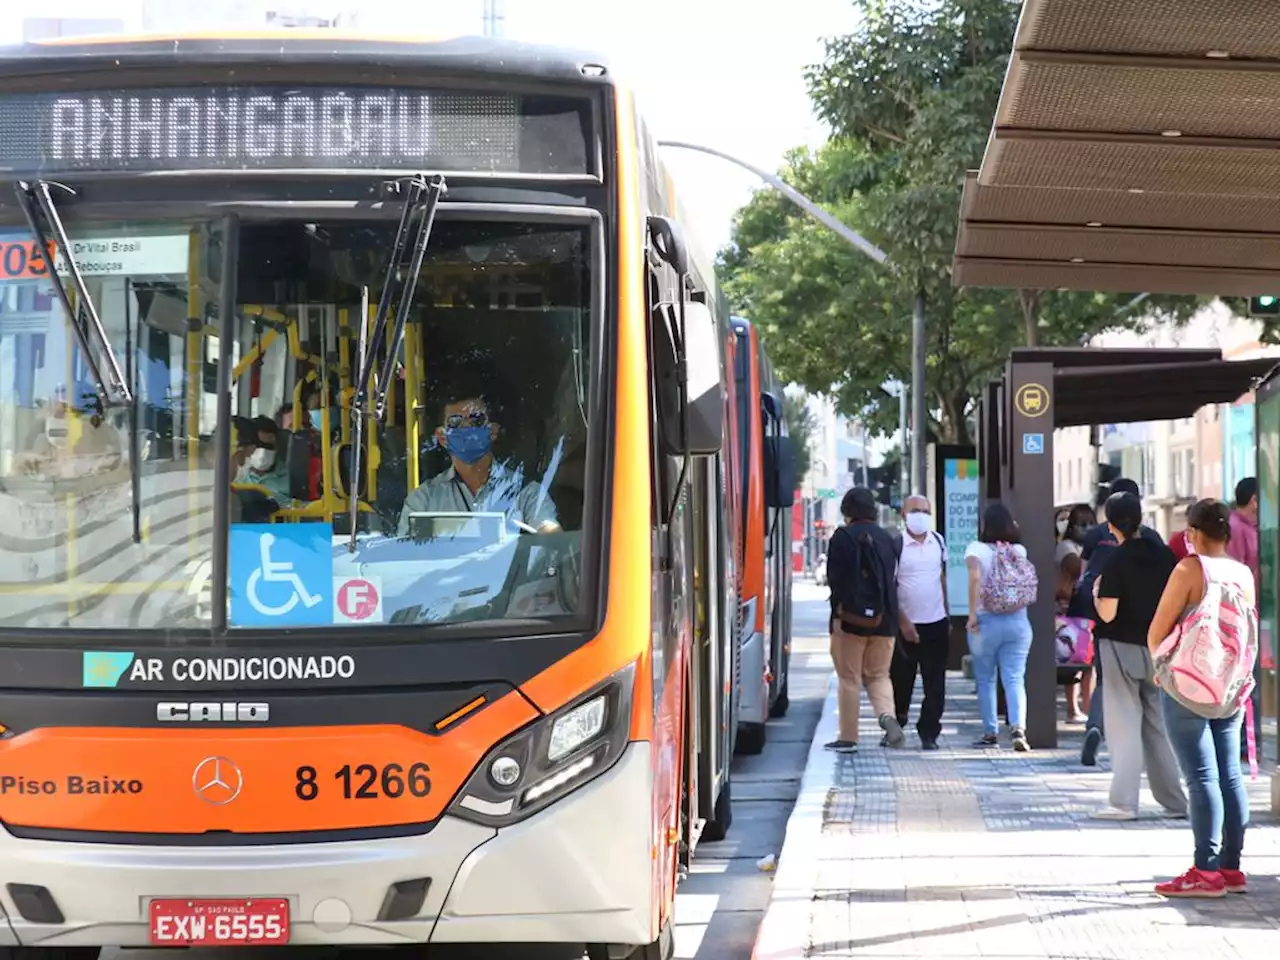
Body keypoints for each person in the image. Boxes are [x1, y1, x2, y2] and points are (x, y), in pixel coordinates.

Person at [1147, 499, 1257, 898]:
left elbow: (1157, 630)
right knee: (1229, 775)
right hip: (1230, 686)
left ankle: (1205, 871)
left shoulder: (1189, 569)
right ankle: (1231, 868)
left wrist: (1162, 670)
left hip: (1189, 686)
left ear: (1192, 532)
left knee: (1201, 778)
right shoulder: (1242, 573)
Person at [1089, 491, 1187, 820]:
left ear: (1111, 524)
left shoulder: (1115, 560)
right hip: (1160, 649)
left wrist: (1095, 593)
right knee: (1158, 726)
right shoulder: (1163, 555)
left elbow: (1107, 614)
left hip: (1120, 648)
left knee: (1124, 724)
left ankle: (1123, 803)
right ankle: (1175, 801)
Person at [1077, 478, 1164, 766]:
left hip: (1116, 641)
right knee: (1156, 717)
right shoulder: (1157, 545)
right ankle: (1173, 794)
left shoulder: (1108, 549)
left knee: (1118, 708)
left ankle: (1095, 727)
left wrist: (1095, 593)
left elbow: (1106, 610)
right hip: (1154, 639)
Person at [396, 394, 560, 537]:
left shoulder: (527, 494)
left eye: (476, 420)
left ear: (492, 431)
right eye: (455, 422)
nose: (467, 427)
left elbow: (551, 538)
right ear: (442, 437)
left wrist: (548, 535)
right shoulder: (423, 501)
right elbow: (403, 558)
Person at [824, 487, 904, 753]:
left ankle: (848, 738)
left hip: (850, 621)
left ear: (846, 511)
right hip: (885, 620)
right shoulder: (889, 538)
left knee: (849, 679)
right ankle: (887, 716)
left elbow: (835, 581)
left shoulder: (842, 537)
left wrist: (837, 615)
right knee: (879, 675)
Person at [965, 503, 1035, 752]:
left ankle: (990, 731)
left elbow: (974, 578)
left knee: (985, 679)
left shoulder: (976, 549)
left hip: (987, 622)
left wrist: (972, 614)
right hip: (1018, 622)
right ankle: (1018, 728)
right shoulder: (1019, 550)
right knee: (1015, 677)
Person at [890, 494, 950, 751]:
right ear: (904, 515)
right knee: (901, 681)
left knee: (935, 683)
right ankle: (897, 723)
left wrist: (947, 614)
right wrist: (902, 621)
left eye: (925, 510)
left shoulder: (938, 541)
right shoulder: (896, 545)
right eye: (915, 510)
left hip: (936, 623)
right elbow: (890, 587)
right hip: (906, 625)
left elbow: (942, 579)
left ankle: (929, 732)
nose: (921, 515)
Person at [1227, 477, 1261, 759]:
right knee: (1249, 682)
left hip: (1256, 615)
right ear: (1254, 500)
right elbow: (1236, 575)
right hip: (1245, 617)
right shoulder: (1238, 529)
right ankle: (1246, 744)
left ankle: (1250, 743)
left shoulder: (1250, 528)